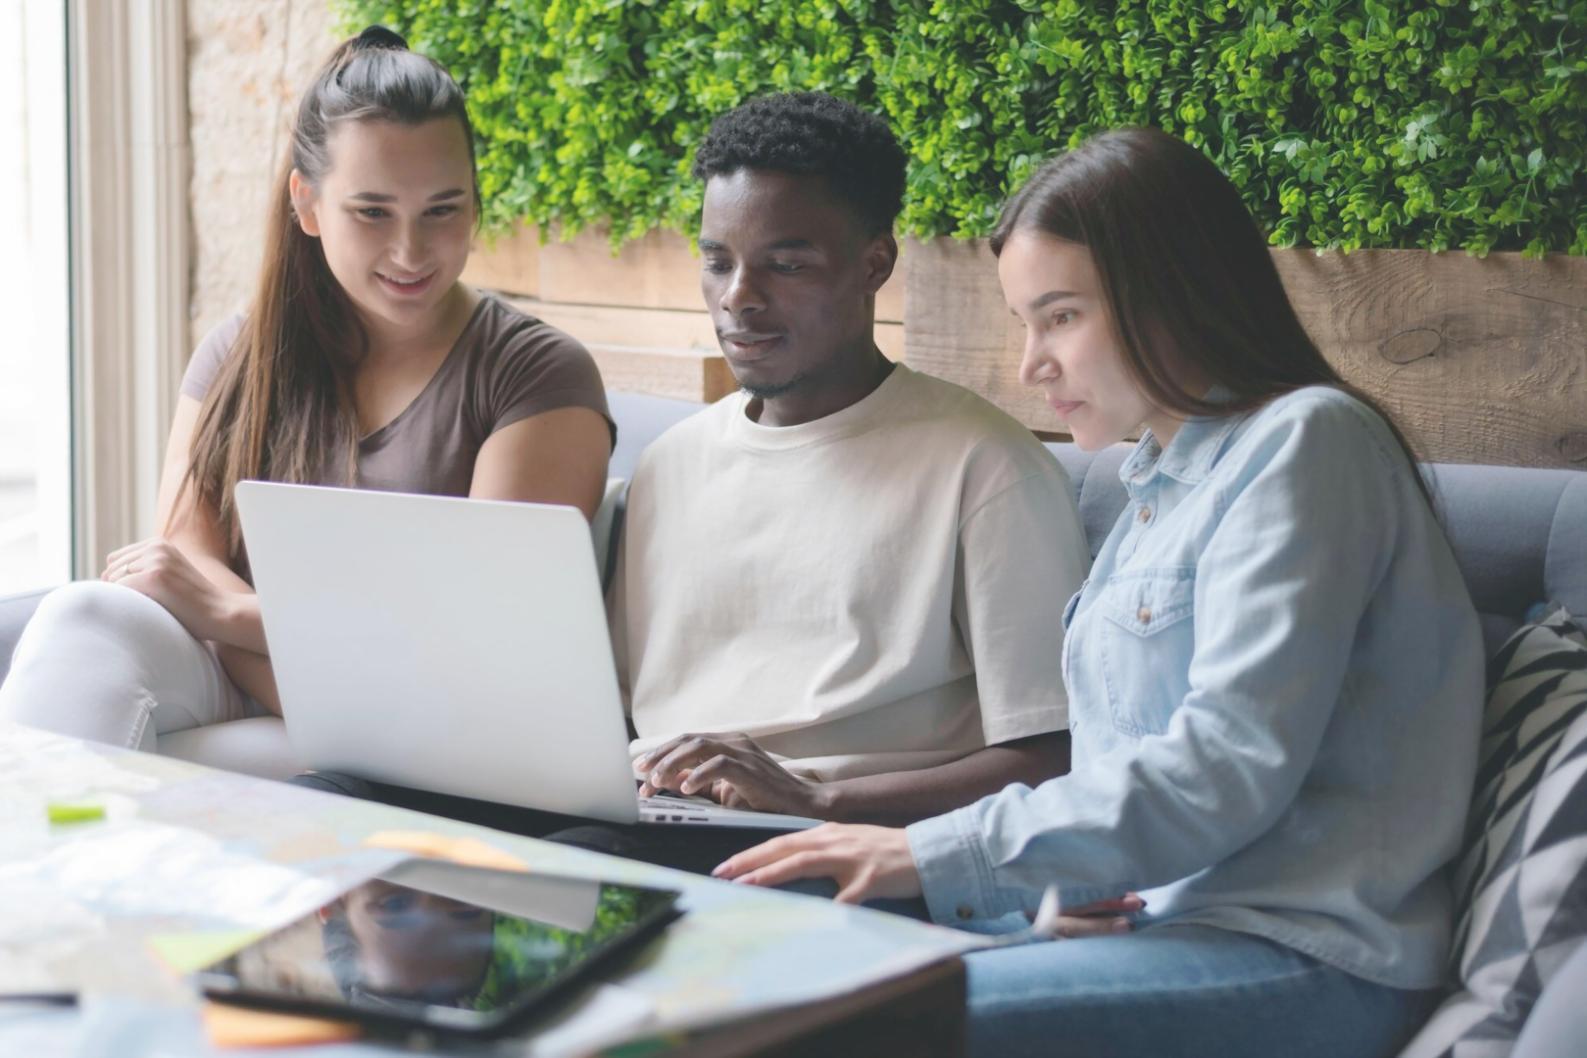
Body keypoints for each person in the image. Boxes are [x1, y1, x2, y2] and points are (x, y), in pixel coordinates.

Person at [713, 127, 1484, 1058]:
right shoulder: (1153, 485)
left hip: (1297, 951)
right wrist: (1064, 894)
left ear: (1172, 293)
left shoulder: (1306, 446)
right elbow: (1120, 771)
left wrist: (923, 851)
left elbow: (1224, 768)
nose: (1032, 363)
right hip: (1151, 924)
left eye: (1061, 317)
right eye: (1023, 323)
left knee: (827, 1023)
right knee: (753, 919)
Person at [0, 27, 613, 753]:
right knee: (83, 616)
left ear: (476, 204)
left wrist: (232, 619)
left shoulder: (536, 375)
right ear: (308, 203)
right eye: (372, 212)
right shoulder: (243, 349)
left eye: (442, 209)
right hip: (255, 679)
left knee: (180, 760)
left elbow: (472, 644)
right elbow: (183, 559)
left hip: (422, 728)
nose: (410, 252)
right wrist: (248, 633)